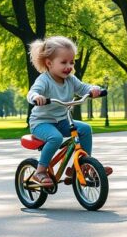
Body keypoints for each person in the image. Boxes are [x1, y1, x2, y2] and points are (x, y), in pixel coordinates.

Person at [26, 36, 113, 187]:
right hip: (41, 123)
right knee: (55, 138)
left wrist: (94, 89)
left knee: (85, 129)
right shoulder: (44, 80)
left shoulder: (71, 80)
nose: (69, 66)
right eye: (64, 62)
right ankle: (40, 171)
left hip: (62, 120)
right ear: (49, 63)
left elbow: (84, 88)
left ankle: (81, 166)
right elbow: (32, 92)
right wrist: (37, 97)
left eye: (71, 62)